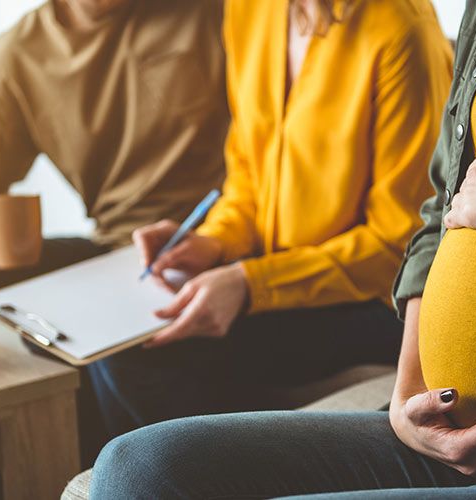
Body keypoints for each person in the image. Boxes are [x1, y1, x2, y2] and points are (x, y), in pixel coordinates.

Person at [89, 0, 476, 498]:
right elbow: (438, 214)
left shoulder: (398, 27)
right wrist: (405, 400)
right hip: (441, 425)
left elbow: (392, 236)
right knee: (134, 467)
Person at [84, 0, 453, 434]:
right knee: (106, 341)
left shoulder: (401, 31)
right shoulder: (248, 8)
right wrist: (214, 241)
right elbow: (247, 175)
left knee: (131, 357)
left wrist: (250, 284)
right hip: (277, 274)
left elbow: (399, 246)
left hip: (371, 300)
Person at [0, 0, 228, 336]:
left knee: (101, 338)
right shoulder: (19, 53)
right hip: (112, 250)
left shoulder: (210, 12)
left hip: (209, 241)